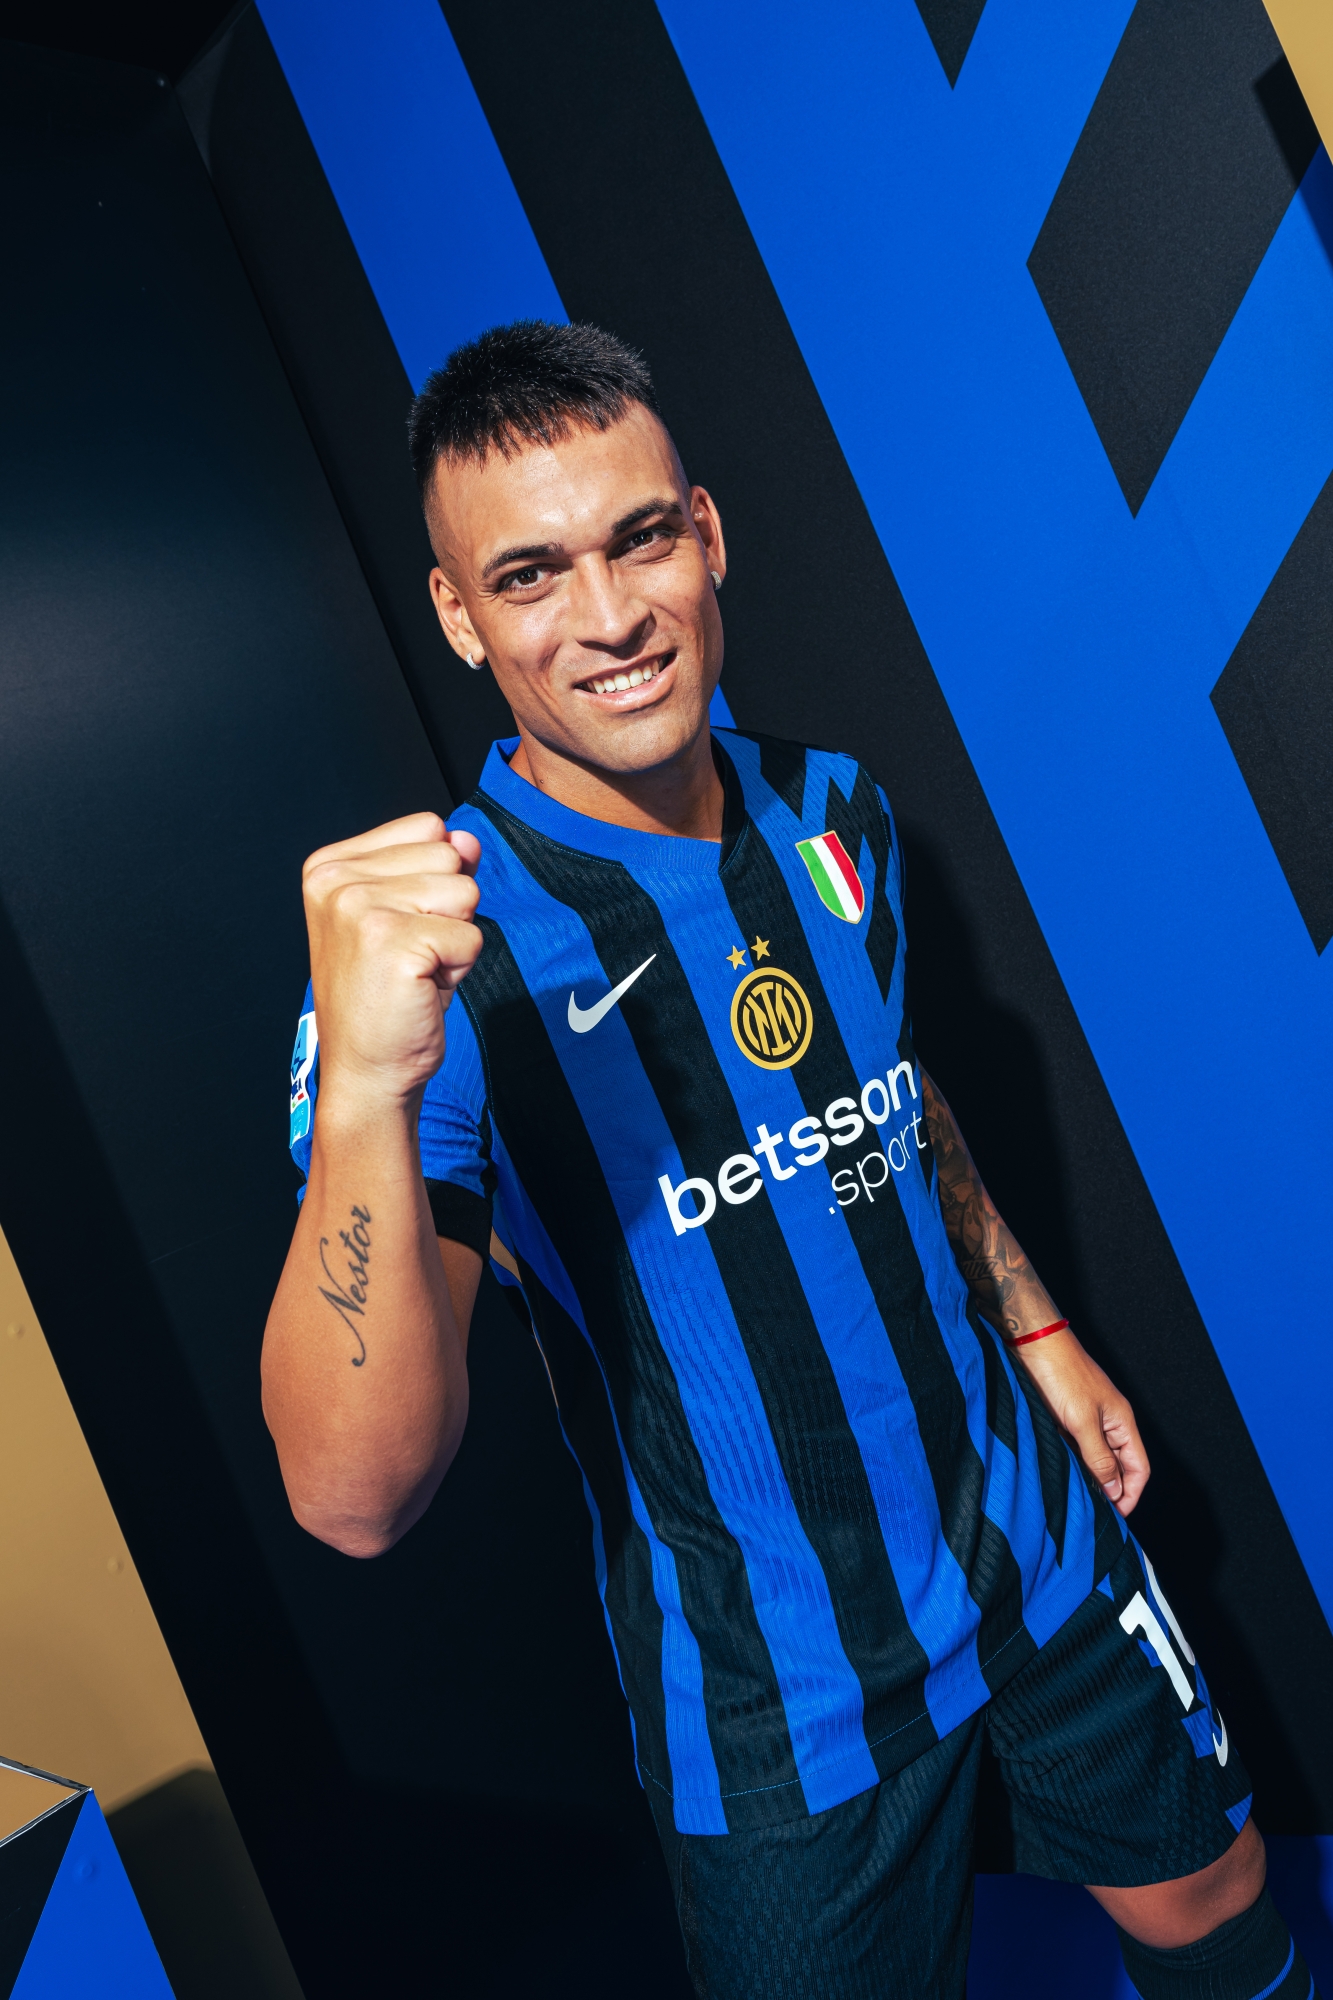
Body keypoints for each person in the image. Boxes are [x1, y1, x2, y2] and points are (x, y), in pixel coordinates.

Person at [261, 321, 1315, 1999]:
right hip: (775, 1699)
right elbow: (351, 1495)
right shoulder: (444, 957)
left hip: (1034, 1555)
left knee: (1216, 1902)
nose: (607, 620)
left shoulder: (832, 805)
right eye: (528, 576)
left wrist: (1035, 1327)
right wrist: (375, 1093)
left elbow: (896, 1089)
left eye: (639, 539)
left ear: (706, 529)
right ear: (460, 617)